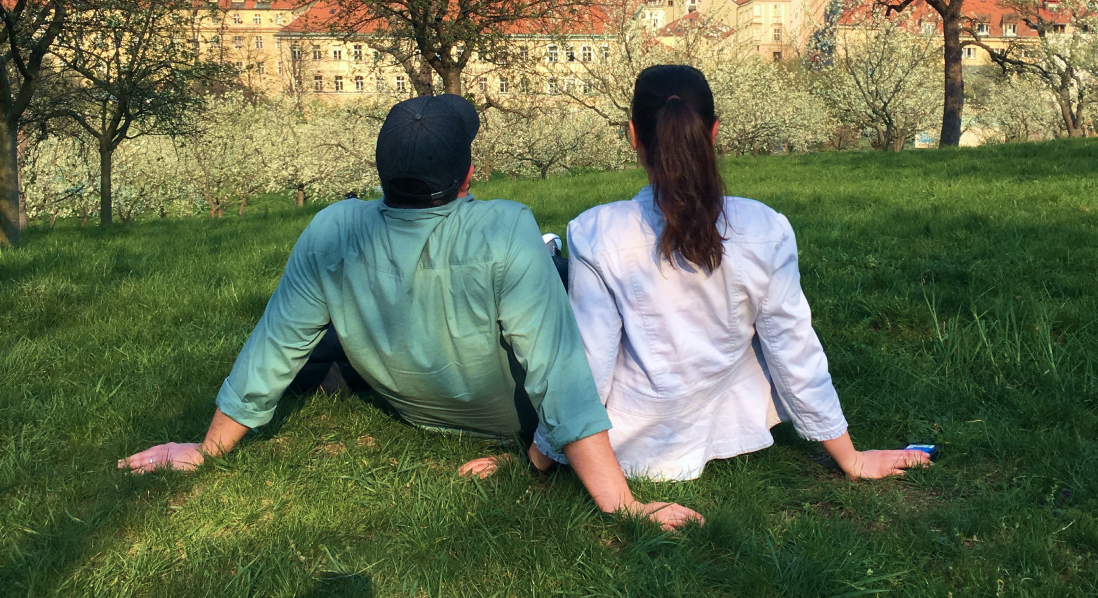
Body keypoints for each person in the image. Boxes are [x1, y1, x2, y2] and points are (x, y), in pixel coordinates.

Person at [120, 94, 700, 529]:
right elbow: (559, 370)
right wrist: (625, 505)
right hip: (509, 416)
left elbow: (274, 346)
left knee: (317, 346)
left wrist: (207, 447)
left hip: (405, 393)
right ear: (467, 176)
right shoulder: (504, 225)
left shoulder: (333, 228)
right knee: (564, 271)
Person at [530, 65, 932, 483]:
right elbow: (792, 346)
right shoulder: (764, 227)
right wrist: (851, 457)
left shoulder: (598, 232)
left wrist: (539, 454)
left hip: (636, 443)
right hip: (733, 427)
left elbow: (588, 365)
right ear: (714, 131)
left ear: (633, 135)